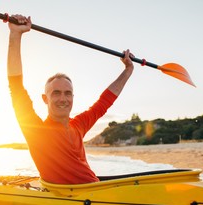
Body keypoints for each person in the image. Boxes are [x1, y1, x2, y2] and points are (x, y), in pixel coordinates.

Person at [7, 15, 134, 184]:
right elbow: (16, 87)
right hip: (77, 200)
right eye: (56, 93)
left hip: (96, 191)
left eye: (67, 93)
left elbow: (104, 102)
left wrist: (128, 70)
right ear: (45, 99)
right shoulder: (37, 131)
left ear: (73, 97)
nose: (63, 99)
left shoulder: (78, 125)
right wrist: (15, 35)